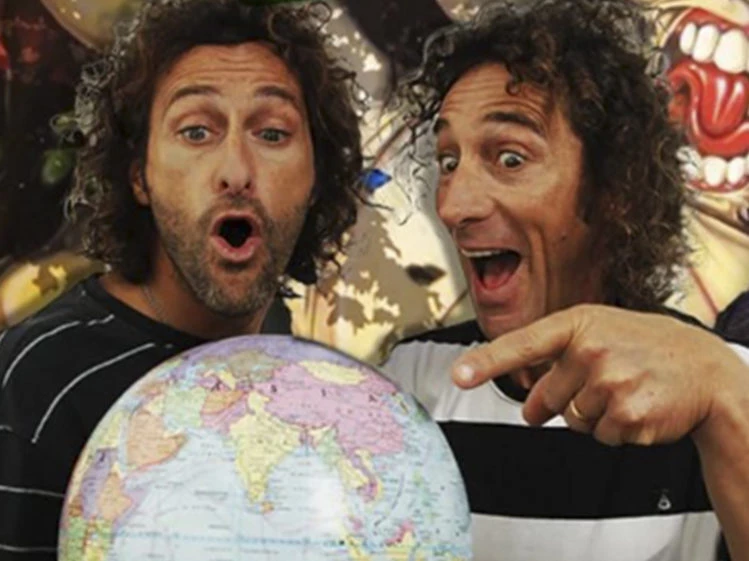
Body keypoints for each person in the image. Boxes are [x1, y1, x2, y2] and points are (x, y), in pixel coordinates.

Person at [381, 1, 749, 560]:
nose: (453, 206)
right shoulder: (410, 381)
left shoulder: (723, 380)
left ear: (614, 189)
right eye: (449, 161)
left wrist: (725, 399)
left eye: (509, 159)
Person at [0, 0, 364, 556]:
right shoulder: (40, 377)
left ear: (316, 178)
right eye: (196, 131)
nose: (236, 172)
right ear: (139, 176)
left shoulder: (296, 370)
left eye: (272, 133)